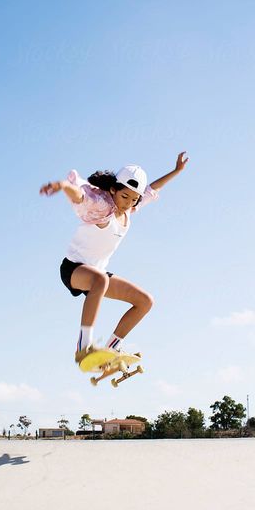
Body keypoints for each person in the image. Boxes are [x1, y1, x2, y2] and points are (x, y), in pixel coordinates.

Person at [40, 152, 189, 364]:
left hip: (97, 274)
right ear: (113, 190)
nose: (128, 203)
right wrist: (64, 186)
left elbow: (152, 190)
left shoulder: (132, 208)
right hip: (73, 269)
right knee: (100, 280)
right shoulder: (102, 205)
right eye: (124, 197)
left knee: (145, 301)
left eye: (133, 199)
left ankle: (110, 349)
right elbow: (80, 197)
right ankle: (84, 348)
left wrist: (176, 171)